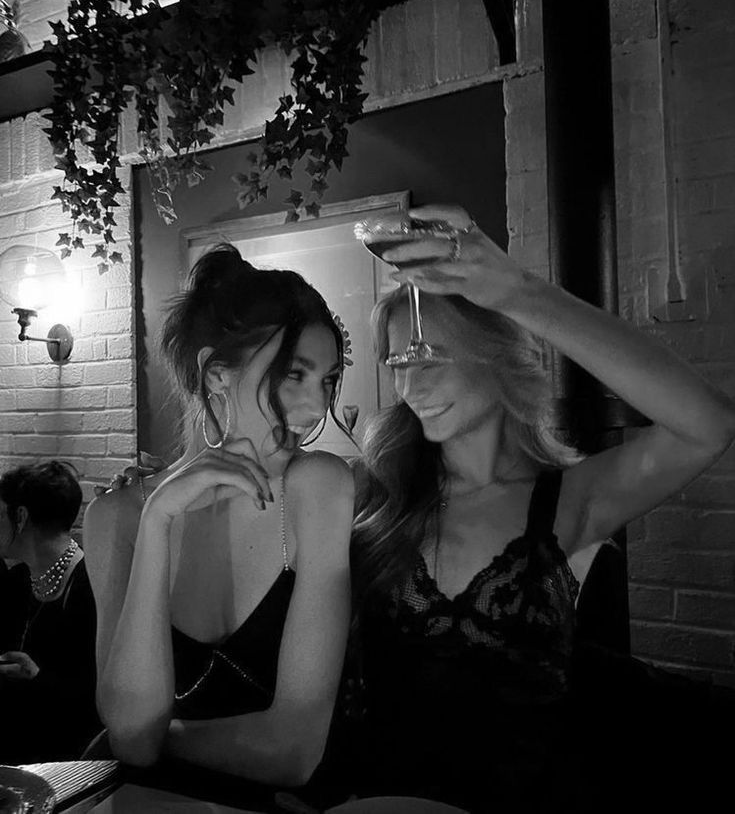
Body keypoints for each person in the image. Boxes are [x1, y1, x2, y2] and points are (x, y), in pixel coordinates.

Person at [350, 205, 735, 813]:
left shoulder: (568, 503)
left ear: (496, 355)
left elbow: (709, 425)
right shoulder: (376, 497)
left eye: (430, 357)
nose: (410, 387)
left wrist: (517, 291)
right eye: (399, 363)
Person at [83, 244, 354, 798]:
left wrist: (156, 740)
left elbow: (292, 752)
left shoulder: (319, 486)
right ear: (215, 374)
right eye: (293, 375)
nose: (313, 409)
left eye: (327, 380)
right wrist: (159, 518)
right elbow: (129, 733)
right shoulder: (118, 516)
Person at [0, 460, 100, 764]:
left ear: (21, 516)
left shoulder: (90, 586)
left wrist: (36, 676)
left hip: (66, 756)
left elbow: (96, 702)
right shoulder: (18, 581)